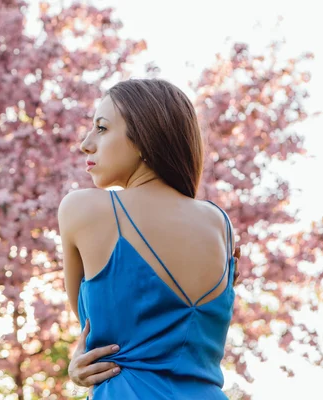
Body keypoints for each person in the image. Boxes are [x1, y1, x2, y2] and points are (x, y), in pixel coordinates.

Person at [57, 78, 239, 399]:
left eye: (101, 128)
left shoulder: (83, 209)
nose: (86, 143)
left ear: (144, 136)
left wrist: (78, 368)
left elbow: (90, 330)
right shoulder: (220, 224)